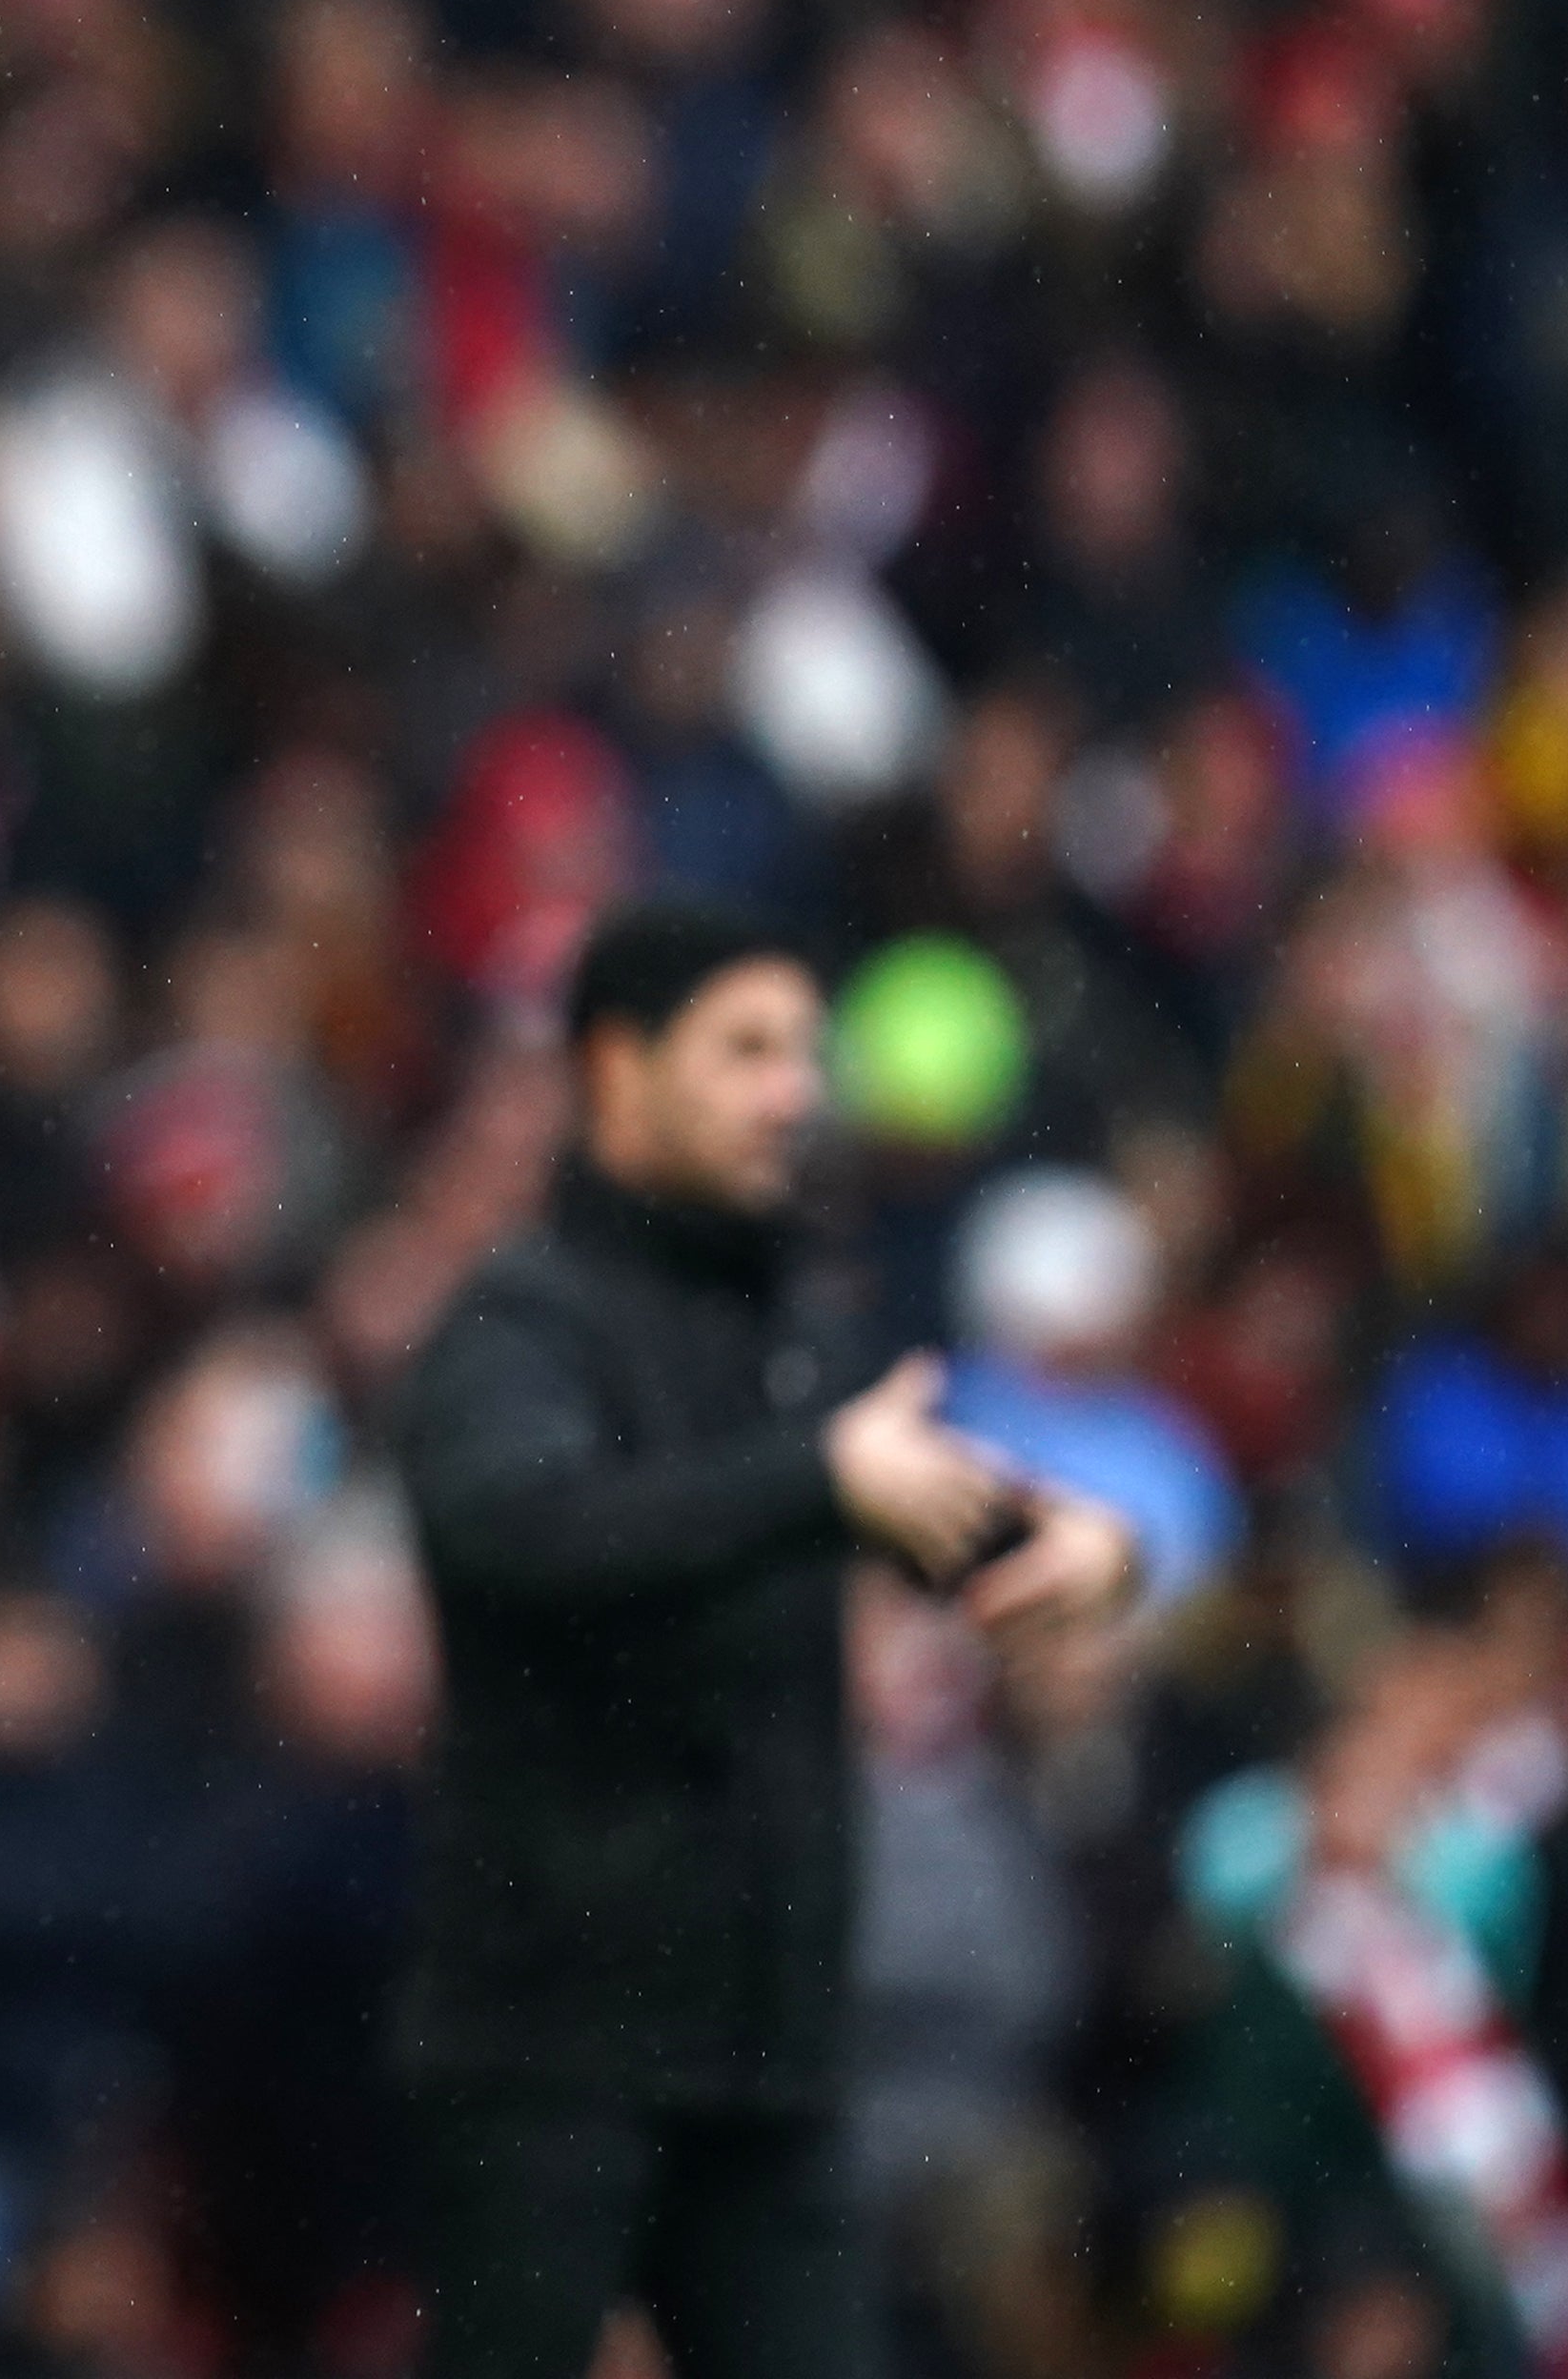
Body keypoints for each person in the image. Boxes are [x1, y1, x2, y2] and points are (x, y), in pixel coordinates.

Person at [389, 900, 1138, 2379]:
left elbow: (903, 1494)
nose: (794, 1090)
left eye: (800, 1051)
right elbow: (524, 1533)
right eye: (744, 1050)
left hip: (770, 2056)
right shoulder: (513, 1327)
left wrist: (1087, 1545)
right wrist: (811, 1481)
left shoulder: (794, 1317)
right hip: (553, 2050)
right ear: (615, 1067)